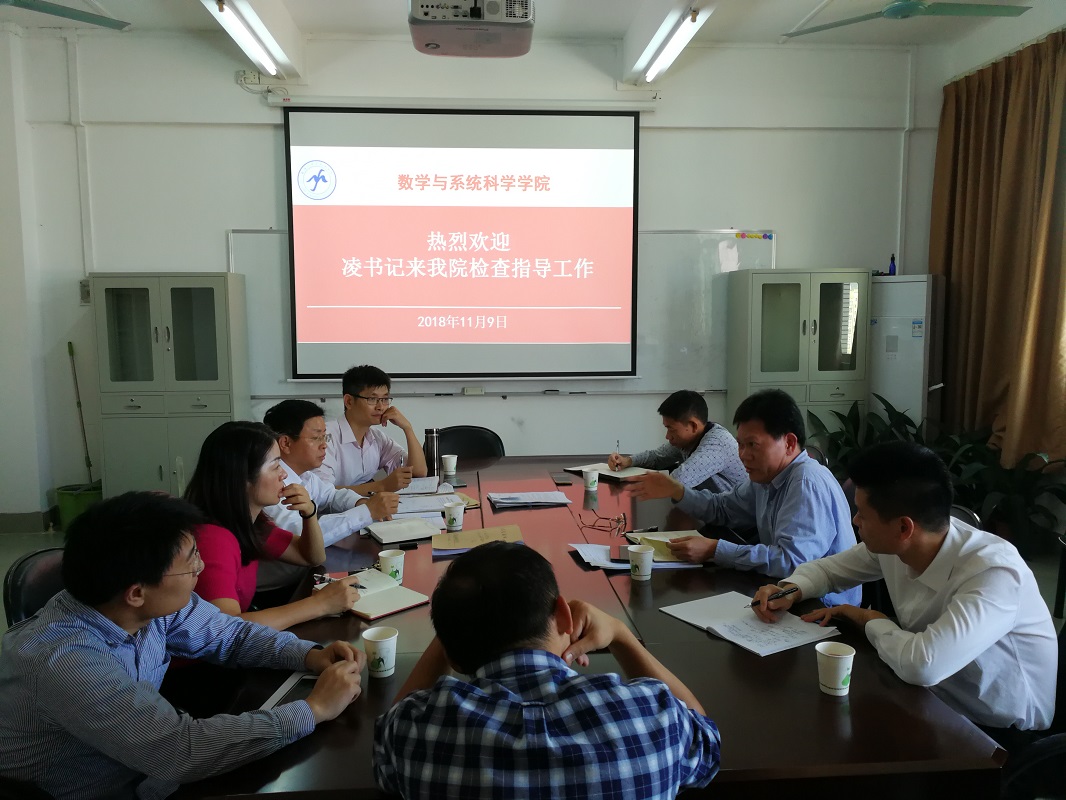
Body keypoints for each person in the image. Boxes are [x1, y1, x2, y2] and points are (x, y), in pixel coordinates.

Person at [0, 491, 365, 800]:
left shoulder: (149, 605)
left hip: (145, 773)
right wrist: (314, 709)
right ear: (136, 593)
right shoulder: (66, 661)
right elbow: (180, 751)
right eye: (191, 560)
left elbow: (232, 635)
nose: (201, 568)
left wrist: (309, 654)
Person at [751, 441, 1057, 741]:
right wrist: (789, 590)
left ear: (903, 528)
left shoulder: (993, 573)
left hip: (999, 732)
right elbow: (828, 571)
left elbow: (922, 665)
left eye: (862, 514)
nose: (854, 521)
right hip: (931, 698)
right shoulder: (899, 544)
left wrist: (868, 618)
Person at [374, 542, 720, 799]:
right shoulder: (651, 715)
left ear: (452, 656)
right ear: (565, 616)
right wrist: (621, 635)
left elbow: (386, 740)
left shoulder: (414, 731)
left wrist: (454, 631)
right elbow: (706, 740)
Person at [626, 388, 860, 607]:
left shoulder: (805, 482)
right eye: (740, 445)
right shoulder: (766, 478)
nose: (743, 455)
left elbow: (792, 563)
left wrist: (715, 550)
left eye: (752, 445)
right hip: (783, 593)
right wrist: (678, 491)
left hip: (823, 609)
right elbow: (722, 508)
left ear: (789, 443)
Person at [185, 421, 361, 630]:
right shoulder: (212, 540)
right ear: (242, 476)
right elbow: (226, 630)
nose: (284, 475)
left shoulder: (251, 524)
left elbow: (312, 557)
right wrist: (320, 605)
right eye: (276, 466)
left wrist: (309, 514)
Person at [257, 400, 401, 594]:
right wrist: (367, 512)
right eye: (316, 438)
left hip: (302, 576)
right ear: (286, 443)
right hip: (279, 591)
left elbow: (331, 495)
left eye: (325, 437)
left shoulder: (305, 476)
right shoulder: (272, 486)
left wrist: (361, 502)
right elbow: (304, 538)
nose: (324, 445)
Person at [315, 364, 428, 493]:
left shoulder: (377, 438)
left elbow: (418, 473)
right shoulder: (325, 437)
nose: (380, 407)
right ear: (349, 401)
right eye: (372, 399)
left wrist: (408, 428)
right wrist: (382, 486)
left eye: (385, 399)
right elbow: (322, 492)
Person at [607, 389, 746, 492]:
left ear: (693, 426)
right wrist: (627, 461)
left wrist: (630, 482)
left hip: (738, 518)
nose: (667, 436)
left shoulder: (715, 445)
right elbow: (657, 457)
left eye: (671, 429)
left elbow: (677, 481)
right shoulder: (690, 439)